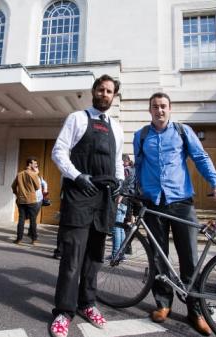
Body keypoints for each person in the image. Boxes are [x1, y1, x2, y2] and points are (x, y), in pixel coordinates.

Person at [133, 92, 216, 336]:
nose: (160, 110)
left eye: (163, 106)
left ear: (170, 109)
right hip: (153, 203)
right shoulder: (141, 135)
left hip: (181, 202)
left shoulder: (183, 131)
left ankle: (196, 311)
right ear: (150, 110)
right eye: (155, 106)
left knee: (190, 260)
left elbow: (200, 158)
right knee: (158, 258)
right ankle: (163, 304)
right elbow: (139, 167)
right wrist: (133, 191)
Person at [50, 74, 124, 337]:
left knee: (94, 257)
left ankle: (87, 304)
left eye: (110, 91)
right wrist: (78, 176)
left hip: (104, 199)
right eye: (101, 90)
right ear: (94, 91)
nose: (105, 94)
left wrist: (120, 185)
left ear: (114, 96)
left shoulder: (116, 127)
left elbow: (117, 163)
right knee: (72, 258)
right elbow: (59, 152)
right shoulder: (77, 118)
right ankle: (63, 311)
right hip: (79, 195)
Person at [109, 154, 135, 260]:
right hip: (127, 200)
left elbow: (124, 184)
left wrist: (119, 196)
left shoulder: (126, 170)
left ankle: (116, 254)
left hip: (121, 199)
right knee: (121, 229)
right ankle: (122, 253)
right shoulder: (133, 170)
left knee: (116, 228)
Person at [11, 157, 41, 245]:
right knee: (33, 220)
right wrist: (36, 174)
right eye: (34, 164)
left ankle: (19, 239)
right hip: (31, 200)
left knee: (21, 220)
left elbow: (13, 186)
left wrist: (17, 194)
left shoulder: (19, 174)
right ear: (29, 164)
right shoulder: (33, 174)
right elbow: (38, 187)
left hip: (21, 200)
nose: (35, 166)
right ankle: (34, 240)